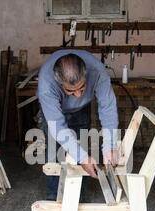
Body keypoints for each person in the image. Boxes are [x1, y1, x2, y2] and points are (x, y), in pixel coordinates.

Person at [37, 49, 119, 200]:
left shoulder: (98, 72)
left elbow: (107, 108)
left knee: (81, 145)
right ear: (59, 83)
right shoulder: (46, 85)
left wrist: (110, 146)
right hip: (56, 109)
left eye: (82, 88)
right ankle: (56, 195)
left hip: (82, 109)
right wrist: (82, 158)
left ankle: (77, 195)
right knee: (55, 151)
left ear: (85, 74)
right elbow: (58, 128)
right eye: (70, 91)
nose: (78, 95)